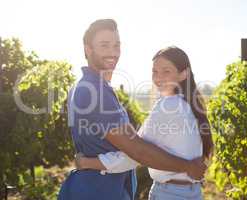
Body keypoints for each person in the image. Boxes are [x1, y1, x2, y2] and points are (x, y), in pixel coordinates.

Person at [58, 19, 208, 200]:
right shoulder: (94, 92)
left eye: (116, 45)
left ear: (184, 74)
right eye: (104, 45)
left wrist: (89, 162)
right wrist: (188, 166)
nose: (113, 52)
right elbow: (137, 151)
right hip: (98, 190)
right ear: (88, 49)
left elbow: (136, 150)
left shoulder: (96, 89)